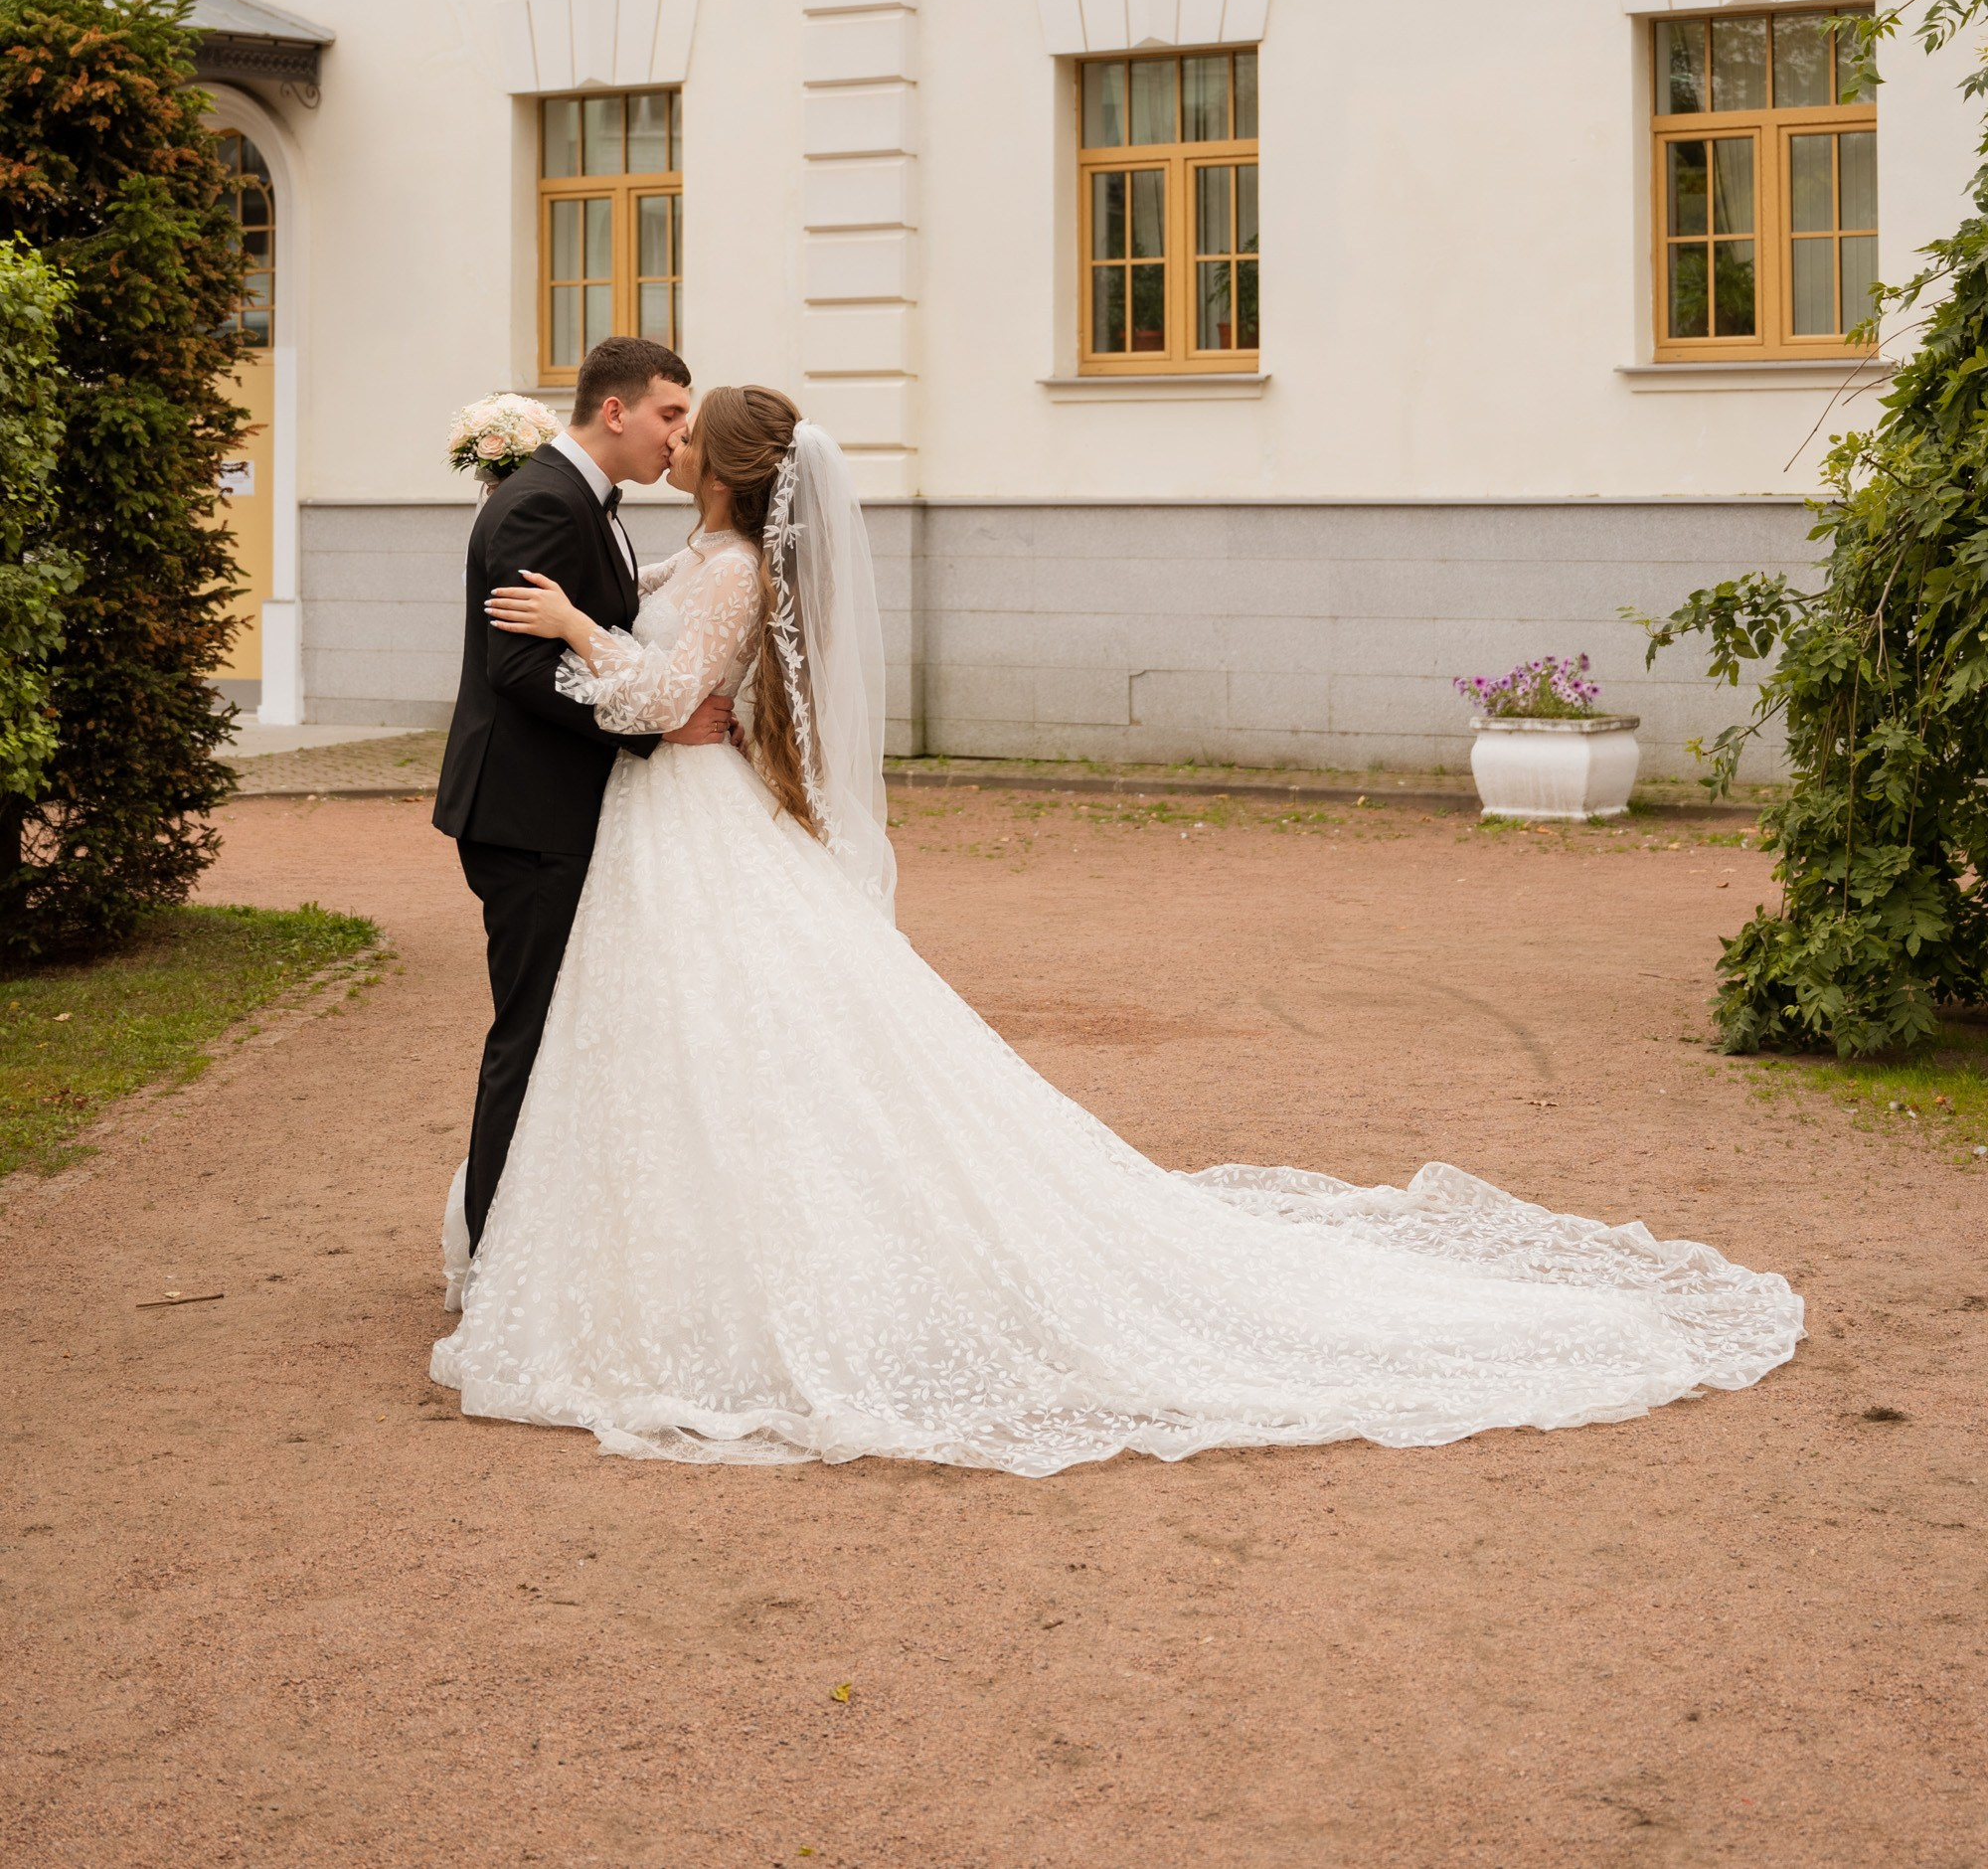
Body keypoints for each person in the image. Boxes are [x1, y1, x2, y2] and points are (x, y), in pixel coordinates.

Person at [430, 385, 1802, 1473]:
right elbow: (691, 649)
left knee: (741, 1045)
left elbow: (671, 696)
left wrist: (583, 633)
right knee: (691, 1049)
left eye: (686, 427)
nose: (667, 438)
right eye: (657, 416)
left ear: (720, 465)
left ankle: (720, 1279)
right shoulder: (712, 550)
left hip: (690, 816)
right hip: (676, 829)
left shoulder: (724, 566)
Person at [431, 335, 734, 1252]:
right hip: (526, 814)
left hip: (555, 805)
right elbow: (522, 668)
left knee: (561, 1027)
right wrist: (655, 723)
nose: (680, 438)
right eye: (670, 415)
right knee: (530, 1035)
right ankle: (495, 1258)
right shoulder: (542, 505)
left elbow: (601, 629)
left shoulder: (589, 502)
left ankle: (540, 1246)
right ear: (616, 411)